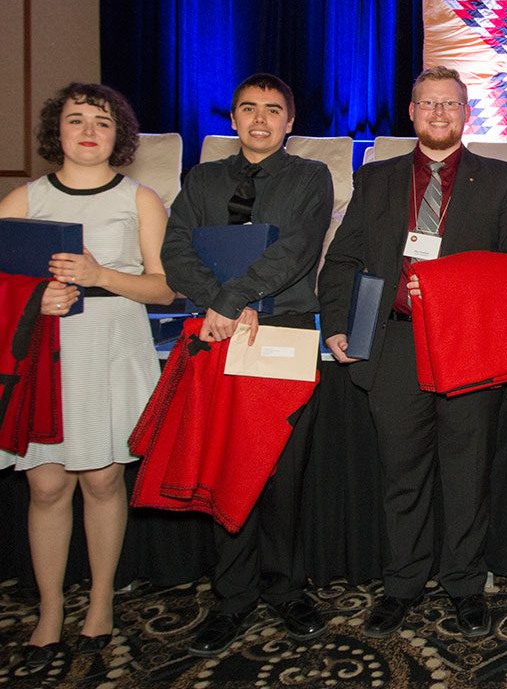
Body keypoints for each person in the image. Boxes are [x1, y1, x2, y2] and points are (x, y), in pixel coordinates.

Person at [319, 66, 507, 640]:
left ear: (466, 114)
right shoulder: (377, 178)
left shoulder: (500, 179)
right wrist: (338, 323)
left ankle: (465, 586)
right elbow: (343, 259)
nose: (439, 113)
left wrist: (449, 285)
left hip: (468, 345)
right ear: (412, 112)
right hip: (394, 344)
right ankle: (401, 585)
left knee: (468, 475)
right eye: (428, 104)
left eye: (450, 104)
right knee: (402, 476)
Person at [0, 83, 174, 667]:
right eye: (76, 120)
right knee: (46, 486)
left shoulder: (139, 199)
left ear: (118, 134)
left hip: (111, 347)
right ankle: (49, 610)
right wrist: (34, 301)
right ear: (58, 131)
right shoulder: (23, 200)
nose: (89, 131)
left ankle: (100, 602)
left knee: (102, 481)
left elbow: (164, 288)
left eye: (102, 121)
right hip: (45, 353)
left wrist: (101, 275)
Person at [161, 73, 333, 656]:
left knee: (283, 469)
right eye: (249, 109)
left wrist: (233, 299)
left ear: (290, 122)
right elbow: (175, 249)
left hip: (284, 330)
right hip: (216, 332)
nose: (261, 120)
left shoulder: (311, 177)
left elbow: (297, 250)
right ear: (233, 119)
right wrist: (222, 305)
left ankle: (286, 589)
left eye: (273, 110)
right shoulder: (201, 179)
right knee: (227, 463)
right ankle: (232, 597)